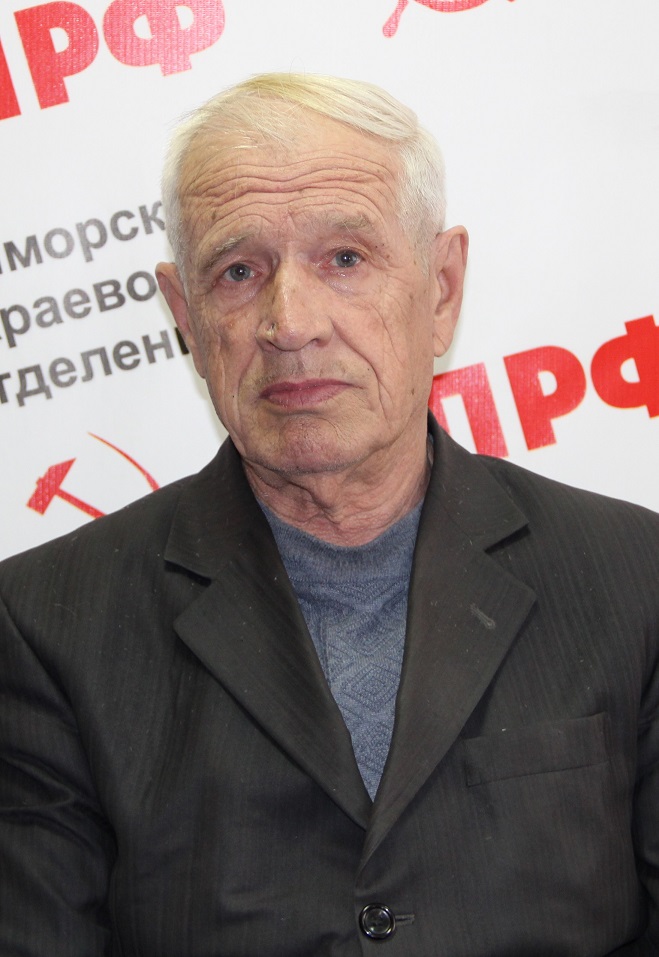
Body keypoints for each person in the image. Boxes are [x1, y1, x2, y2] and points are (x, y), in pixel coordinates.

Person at [0, 73, 657, 957]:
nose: (290, 322)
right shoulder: (44, 624)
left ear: (441, 289)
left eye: (344, 259)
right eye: (239, 272)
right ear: (187, 317)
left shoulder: (631, 577)